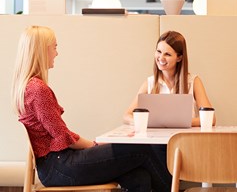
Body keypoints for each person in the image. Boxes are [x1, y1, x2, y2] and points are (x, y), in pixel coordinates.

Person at [11, 26, 172, 192]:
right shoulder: (38, 89)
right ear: (42, 50)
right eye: (55, 47)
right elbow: (62, 135)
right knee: (142, 147)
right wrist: (95, 145)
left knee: (138, 177)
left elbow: (60, 133)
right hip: (59, 166)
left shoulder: (29, 87)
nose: (57, 53)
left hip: (57, 165)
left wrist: (98, 145)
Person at [123, 30, 216, 168]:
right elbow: (126, 115)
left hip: (184, 145)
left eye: (167, 54)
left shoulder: (193, 82)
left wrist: (180, 122)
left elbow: (211, 119)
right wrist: (143, 123)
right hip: (155, 144)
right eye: (158, 51)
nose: (161, 58)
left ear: (179, 57)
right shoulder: (150, 83)